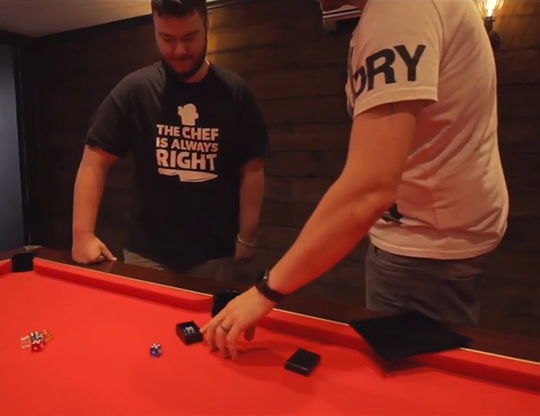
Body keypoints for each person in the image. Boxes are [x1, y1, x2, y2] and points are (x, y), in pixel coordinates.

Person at [201, 0, 509, 358]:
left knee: (417, 384)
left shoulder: (397, 12)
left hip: (426, 250)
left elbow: (370, 188)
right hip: (435, 237)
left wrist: (264, 292)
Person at [71, 0, 269, 282]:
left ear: (206, 27)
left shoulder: (234, 91)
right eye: (167, 38)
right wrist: (82, 234)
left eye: (189, 38)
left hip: (216, 254)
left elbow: (252, 168)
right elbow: (95, 159)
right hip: (147, 254)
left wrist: (247, 236)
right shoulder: (135, 89)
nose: (179, 50)